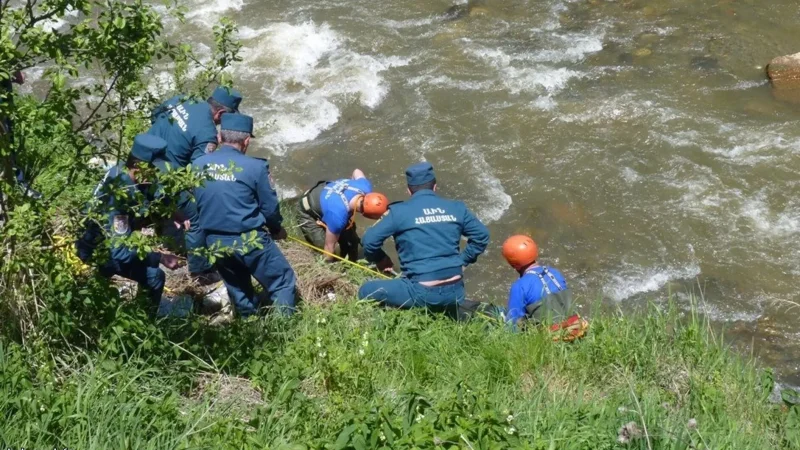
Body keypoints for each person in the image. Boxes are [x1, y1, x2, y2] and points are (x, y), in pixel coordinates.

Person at [193, 113, 297, 317]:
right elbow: (269, 209)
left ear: (220, 138)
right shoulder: (256, 167)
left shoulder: (198, 164)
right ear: (247, 140)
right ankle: (284, 333)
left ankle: (249, 328)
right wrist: (277, 229)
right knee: (282, 281)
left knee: (239, 289)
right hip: (249, 239)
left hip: (214, 241)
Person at [358, 162, 489, 312]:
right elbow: (482, 236)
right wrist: (463, 260)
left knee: (366, 290)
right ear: (435, 186)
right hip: (457, 291)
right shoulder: (457, 207)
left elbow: (368, 241)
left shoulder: (398, 212)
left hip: (422, 292)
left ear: (408, 190)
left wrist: (381, 259)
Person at [147, 86, 243, 283]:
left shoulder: (183, 98)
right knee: (197, 216)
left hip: (142, 160)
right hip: (164, 180)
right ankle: (201, 271)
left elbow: (154, 113)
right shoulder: (207, 133)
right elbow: (200, 172)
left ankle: (159, 219)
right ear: (221, 113)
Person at [76, 134, 181, 307]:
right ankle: (143, 324)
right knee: (155, 276)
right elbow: (121, 252)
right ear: (139, 169)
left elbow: (152, 190)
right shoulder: (120, 196)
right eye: (154, 170)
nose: (157, 175)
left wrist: (172, 210)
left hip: (103, 240)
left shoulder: (122, 171)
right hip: (96, 249)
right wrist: (160, 257)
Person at [501, 235, 587, 339]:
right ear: (535, 252)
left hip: (551, 335)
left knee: (501, 313)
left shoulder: (519, 286)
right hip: (574, 327)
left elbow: (512, 325)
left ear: (513, 264)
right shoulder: (555, 273)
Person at [297, 170, 389, 262]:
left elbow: (357, 171)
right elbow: (329, 248)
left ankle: (350, 264)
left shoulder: (365, 187)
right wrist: (327, 266)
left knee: (352, 242)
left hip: (325, 197)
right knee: (326, 249)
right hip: (308, 211)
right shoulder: (338, 216)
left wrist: (351, 182)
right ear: (366, 215)